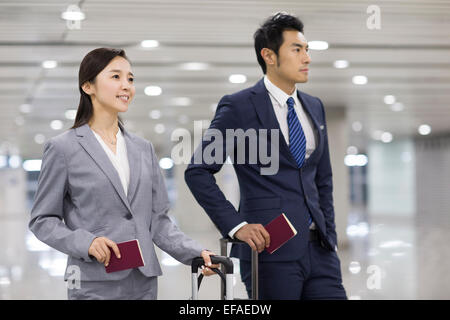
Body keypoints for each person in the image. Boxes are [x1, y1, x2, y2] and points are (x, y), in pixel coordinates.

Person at [29, 47, 218, 300]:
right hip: (94, 282)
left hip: (143, 282)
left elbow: (158, 221)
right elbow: (42, 220)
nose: (126, 85)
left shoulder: (143, 149)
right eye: (115, 77)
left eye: (130, 79)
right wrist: (86, 243)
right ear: (88, 86)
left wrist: (195, 252)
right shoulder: (64, 148)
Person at [185, 12, 347, 300]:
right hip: (270, 252)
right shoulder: (238, 106)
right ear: (269, 56)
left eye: (307, 50)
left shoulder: (314, 106)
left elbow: (323, 179)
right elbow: (197, 171)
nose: (307, 58)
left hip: (321, 253)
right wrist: (236, 226)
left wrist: (330, 237)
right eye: (297, 50)